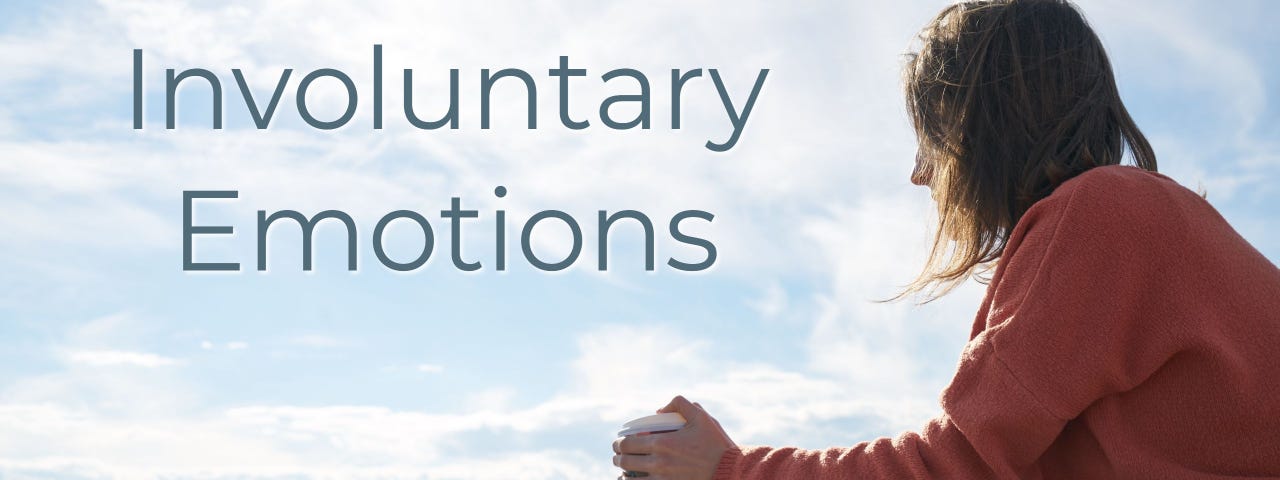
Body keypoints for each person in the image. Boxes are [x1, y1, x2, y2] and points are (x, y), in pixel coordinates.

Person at [611, 0, 1280, 478]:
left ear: (982, 128)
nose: (920, 171)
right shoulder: (1147, 224)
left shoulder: (1103, 215)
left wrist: (729, 470)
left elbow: (956, 465)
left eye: (932, 137)